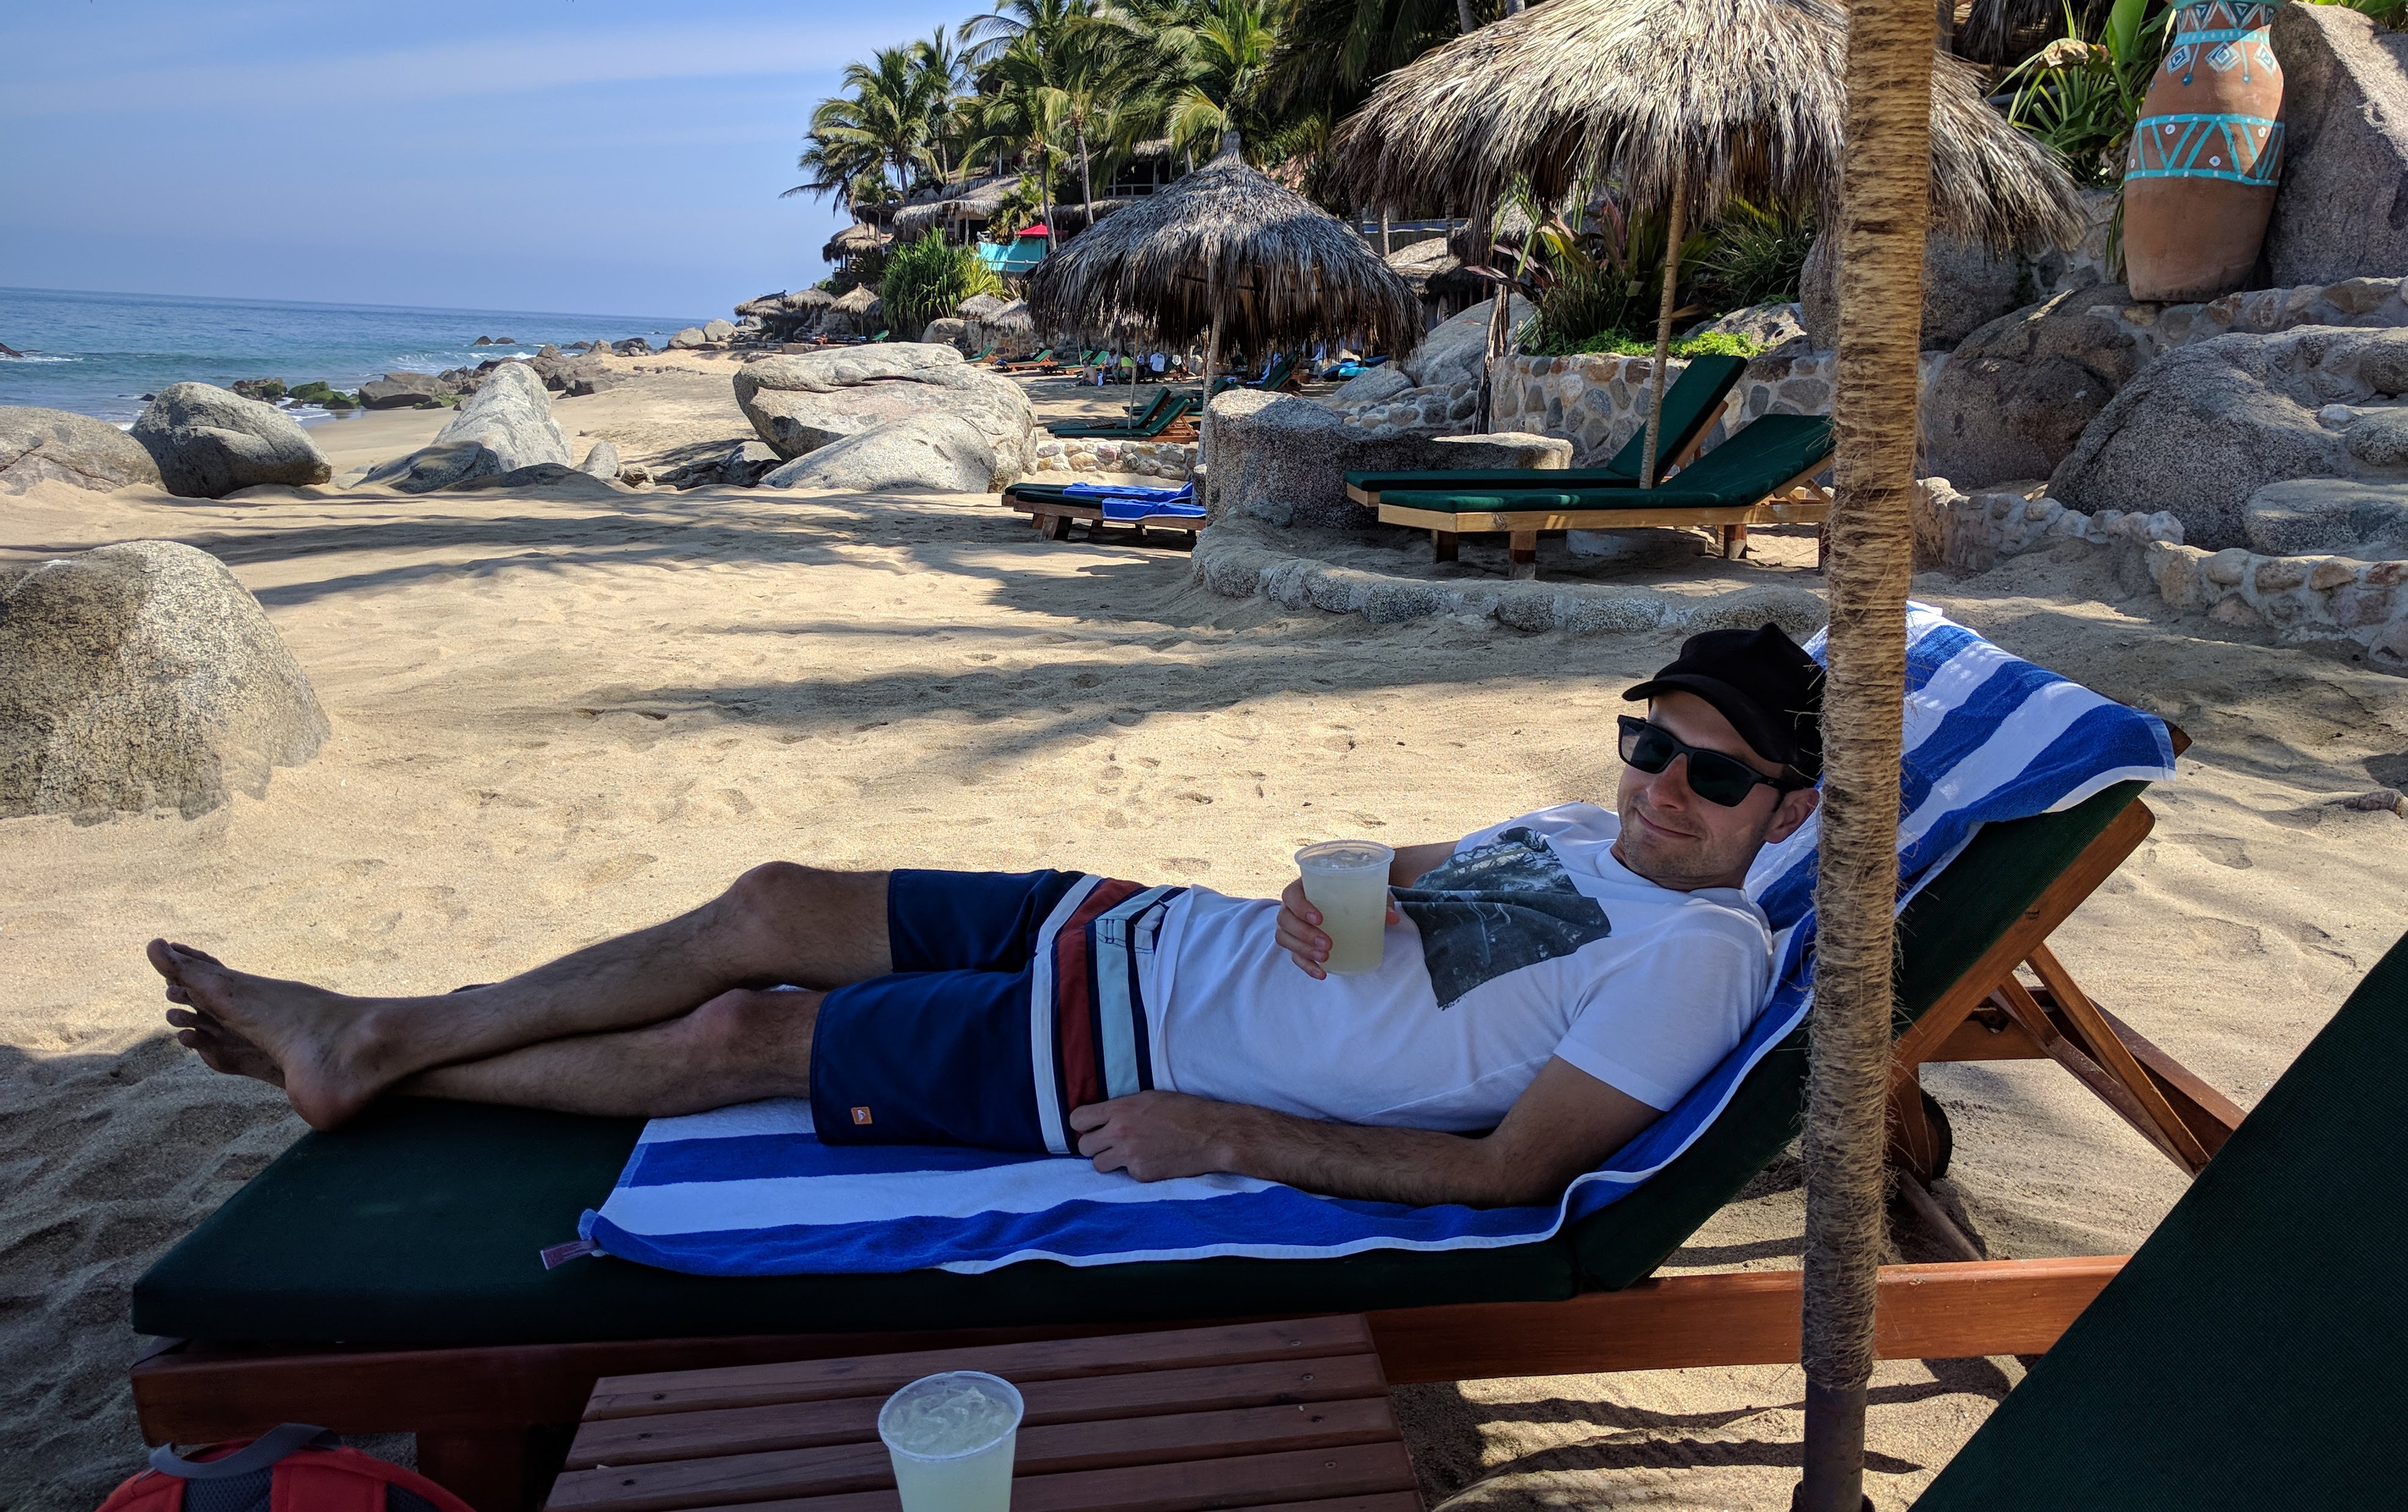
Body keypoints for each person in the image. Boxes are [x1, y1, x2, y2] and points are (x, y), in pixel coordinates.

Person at [153, 626, 1823, 1210]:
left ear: (1792, 811)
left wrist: (1231, 1134)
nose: (1662, 788)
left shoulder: (1701, 958)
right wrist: (1344, 891)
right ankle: (383, 1036)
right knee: (768, 900)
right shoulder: (1576, 825)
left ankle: (381, 1059)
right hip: (1149, 927)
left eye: (1715, 776)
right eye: (1648, 745)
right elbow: (1407, 870)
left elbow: (1512, 1171)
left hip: (1132, 1048)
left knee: (744, 1039)